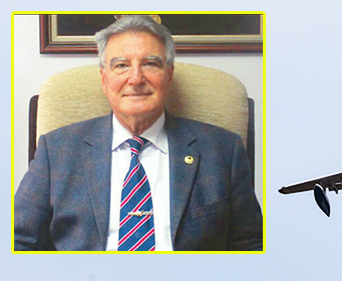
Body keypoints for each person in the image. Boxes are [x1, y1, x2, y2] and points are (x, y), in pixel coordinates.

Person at [14, 15, 262, 251]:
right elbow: (18, 240)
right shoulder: (56, 150)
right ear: (104, 79)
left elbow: (250, 244)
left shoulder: (223, 150)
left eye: (150, 64)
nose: (135, 78)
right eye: (121, 65)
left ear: (169, 75)